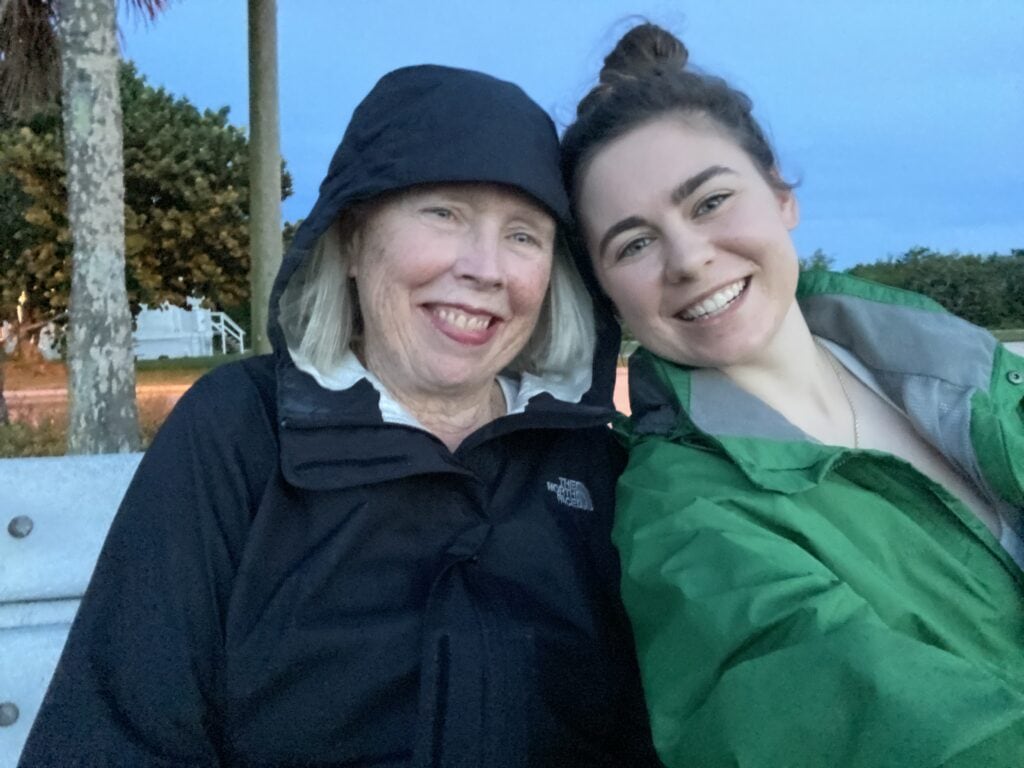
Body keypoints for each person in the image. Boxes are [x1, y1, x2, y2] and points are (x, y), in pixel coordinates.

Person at [19, 65, 660, 767]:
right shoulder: (241, 432)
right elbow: (118, 735)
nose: (488, 269)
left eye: (524, 235)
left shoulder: (588, 465)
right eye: (443, 212)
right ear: (353, 240)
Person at [560, 22, 1024, 768]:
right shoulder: (684, 521)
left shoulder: (956, 366)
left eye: (709, 202)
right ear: (608, 292)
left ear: (781, 197)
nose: (689, 258)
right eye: (634, 244)